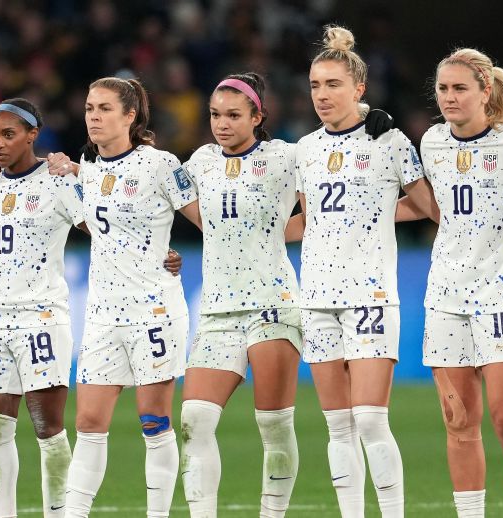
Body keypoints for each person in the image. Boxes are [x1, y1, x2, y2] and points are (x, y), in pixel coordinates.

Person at [43, 77, 198, 518]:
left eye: (105, 108)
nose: (94, 115)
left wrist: (170, 255)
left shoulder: (161, 164)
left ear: (130, 116)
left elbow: (206, 219)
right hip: (102, 314)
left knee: (153, 421)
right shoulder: (86, 171)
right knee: (89, 423)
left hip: (154, 310)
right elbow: (99, 228)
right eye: (90, 107)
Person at [284, 25, 421, 518]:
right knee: (337, 424)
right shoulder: (305, 149)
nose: (322, 94)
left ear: (359, 88)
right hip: (317, 296)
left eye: (333, 84)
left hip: (370, 296)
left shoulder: (389, 139)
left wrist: (378, 207)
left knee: (369, 419)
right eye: (315, 85)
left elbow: (428, 205)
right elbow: (310, 218)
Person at [409, 48, 503, 517]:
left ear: (485, 92)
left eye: (460, 88)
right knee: (458, 420)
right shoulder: (431, 141)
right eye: (443, 89)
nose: (449, 97)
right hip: (447, 294)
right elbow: (434, 207)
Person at [177, 71, 306, 518]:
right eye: (215, 114)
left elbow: (321, 210)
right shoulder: (199, 162)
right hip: (217, 310)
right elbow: (154, 202)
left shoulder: (287, 158)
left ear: (258, 116)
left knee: (272, 426)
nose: (222, 124)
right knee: (194, 419)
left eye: (234, 115)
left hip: (272, 304)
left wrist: (270, 235)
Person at [0, 98, 82, 518]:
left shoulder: (57, 182)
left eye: (9, 135)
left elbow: (105, 228)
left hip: (41, 318)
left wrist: (160, 255)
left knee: (48, 430)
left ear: (33, 135)